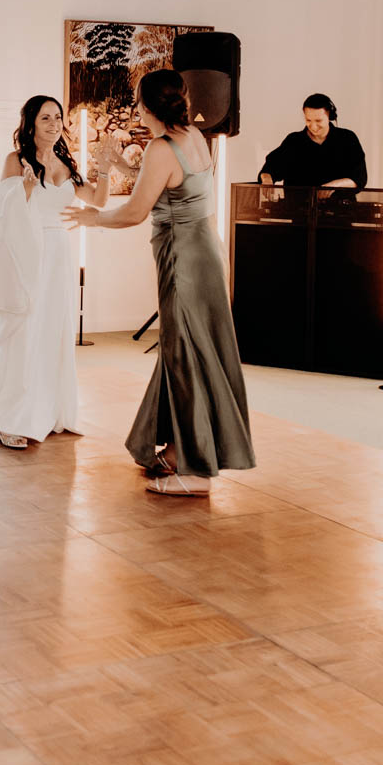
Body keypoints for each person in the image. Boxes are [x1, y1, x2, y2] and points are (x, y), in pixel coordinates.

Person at [66, 70, 255, 495]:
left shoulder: (159, 148)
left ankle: (196, 473)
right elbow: (170, 188)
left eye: (137, 99)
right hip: (206, 251)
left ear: (147, 106)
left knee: (185, 354)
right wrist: (119, 166)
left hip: (182, 258)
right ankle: (176, 450)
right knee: (192, 351)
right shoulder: (194, 138)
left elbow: (135, 212)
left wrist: (92, 218)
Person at [0, 96, 105, 448]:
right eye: (46, 118)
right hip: (27, 252)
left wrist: (103, 168)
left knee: (54, 328)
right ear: (30, 123)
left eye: (58, 117)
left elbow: (98, 200)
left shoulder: (65, 162)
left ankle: (53, 410)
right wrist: (23, 189)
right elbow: (4, 206)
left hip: (59, 254)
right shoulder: (16, 159)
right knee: (24, 331)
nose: (54, 124)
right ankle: (8, 418)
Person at [257, 93, 367, 188]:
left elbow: (359, 178)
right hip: (299, 210)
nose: (313, 126)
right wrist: (267, 179)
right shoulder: (294, 141)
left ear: (330, 116)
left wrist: (332, 186)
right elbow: (271, 168)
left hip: (340, 210)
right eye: (308, 120)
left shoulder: (347, 139)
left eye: (318, 120)